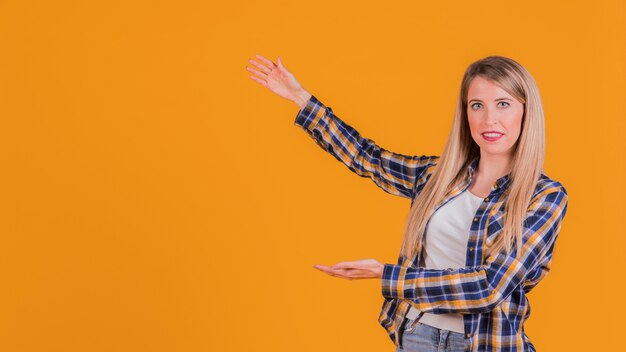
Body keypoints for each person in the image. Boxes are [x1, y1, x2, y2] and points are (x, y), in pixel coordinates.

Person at [246, 54, 568, 352]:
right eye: (477, 106)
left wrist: (387, 275)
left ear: (526, 111)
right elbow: (367, 157)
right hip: (418, 336)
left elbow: (488, 287)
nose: (489, 120)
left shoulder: (544, 196)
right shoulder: (438, 177)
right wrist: (300, 97)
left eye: (503, 104)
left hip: (486, 344)